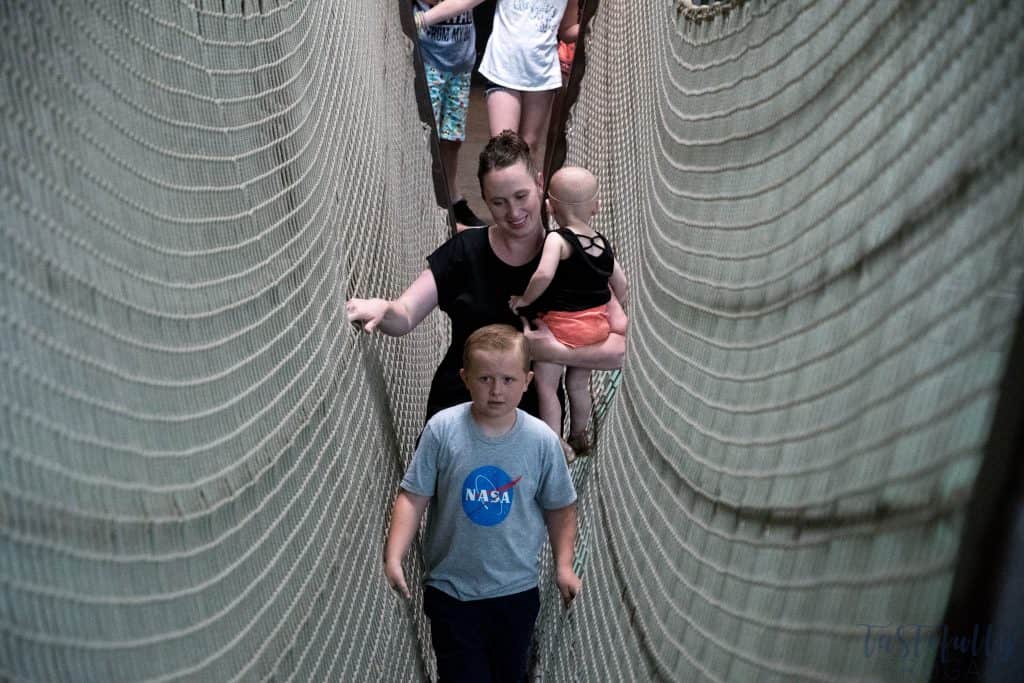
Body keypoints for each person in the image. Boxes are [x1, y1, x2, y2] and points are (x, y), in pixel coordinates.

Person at [346, 131, 626, 445]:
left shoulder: (573, 256)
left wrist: (550, 351)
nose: (513, 212)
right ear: (483, 199)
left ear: (539, 183)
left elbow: (620, 350)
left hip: (530, 430)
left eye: (521, 196)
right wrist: (384, 308)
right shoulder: (465, 252)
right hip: (458, 417)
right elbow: (406, 314)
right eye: (498, 202)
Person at [383, 324, 581, 683]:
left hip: (515, 591)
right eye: (485, 378)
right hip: (450, 590)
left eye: (508, 379)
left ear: (527, 381)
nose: (496, 390)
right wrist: (394, 555)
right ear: (465, 378)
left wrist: (563, 566)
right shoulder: (442, 430)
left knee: (509, 674)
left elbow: (560, 508)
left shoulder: (541, 441)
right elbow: (413, 495)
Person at [508, 166, 626, 454]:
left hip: (561, 327)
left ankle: (555, 441)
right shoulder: (602, 243)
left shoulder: (557, 239)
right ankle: (579, 435)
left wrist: (524, 299)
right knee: (578, 385)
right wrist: (610, 307)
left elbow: (543, 275)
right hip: (596, 328)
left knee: (547, 386)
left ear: (550, 206)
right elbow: (622, 284)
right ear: (596, 206)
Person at [413, 1, 568, 160]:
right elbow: (464, 1)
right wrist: (420, 20)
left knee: (529, 145)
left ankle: (524, 178)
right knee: (503, 147)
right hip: (503, 68)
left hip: (542, 73)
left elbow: (567, 29)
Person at [414, 0, 488, 228]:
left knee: (452, 138)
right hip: (428, 60)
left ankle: (451, 199)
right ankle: (424, 203)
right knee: (426, 138)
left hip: (460, 63)